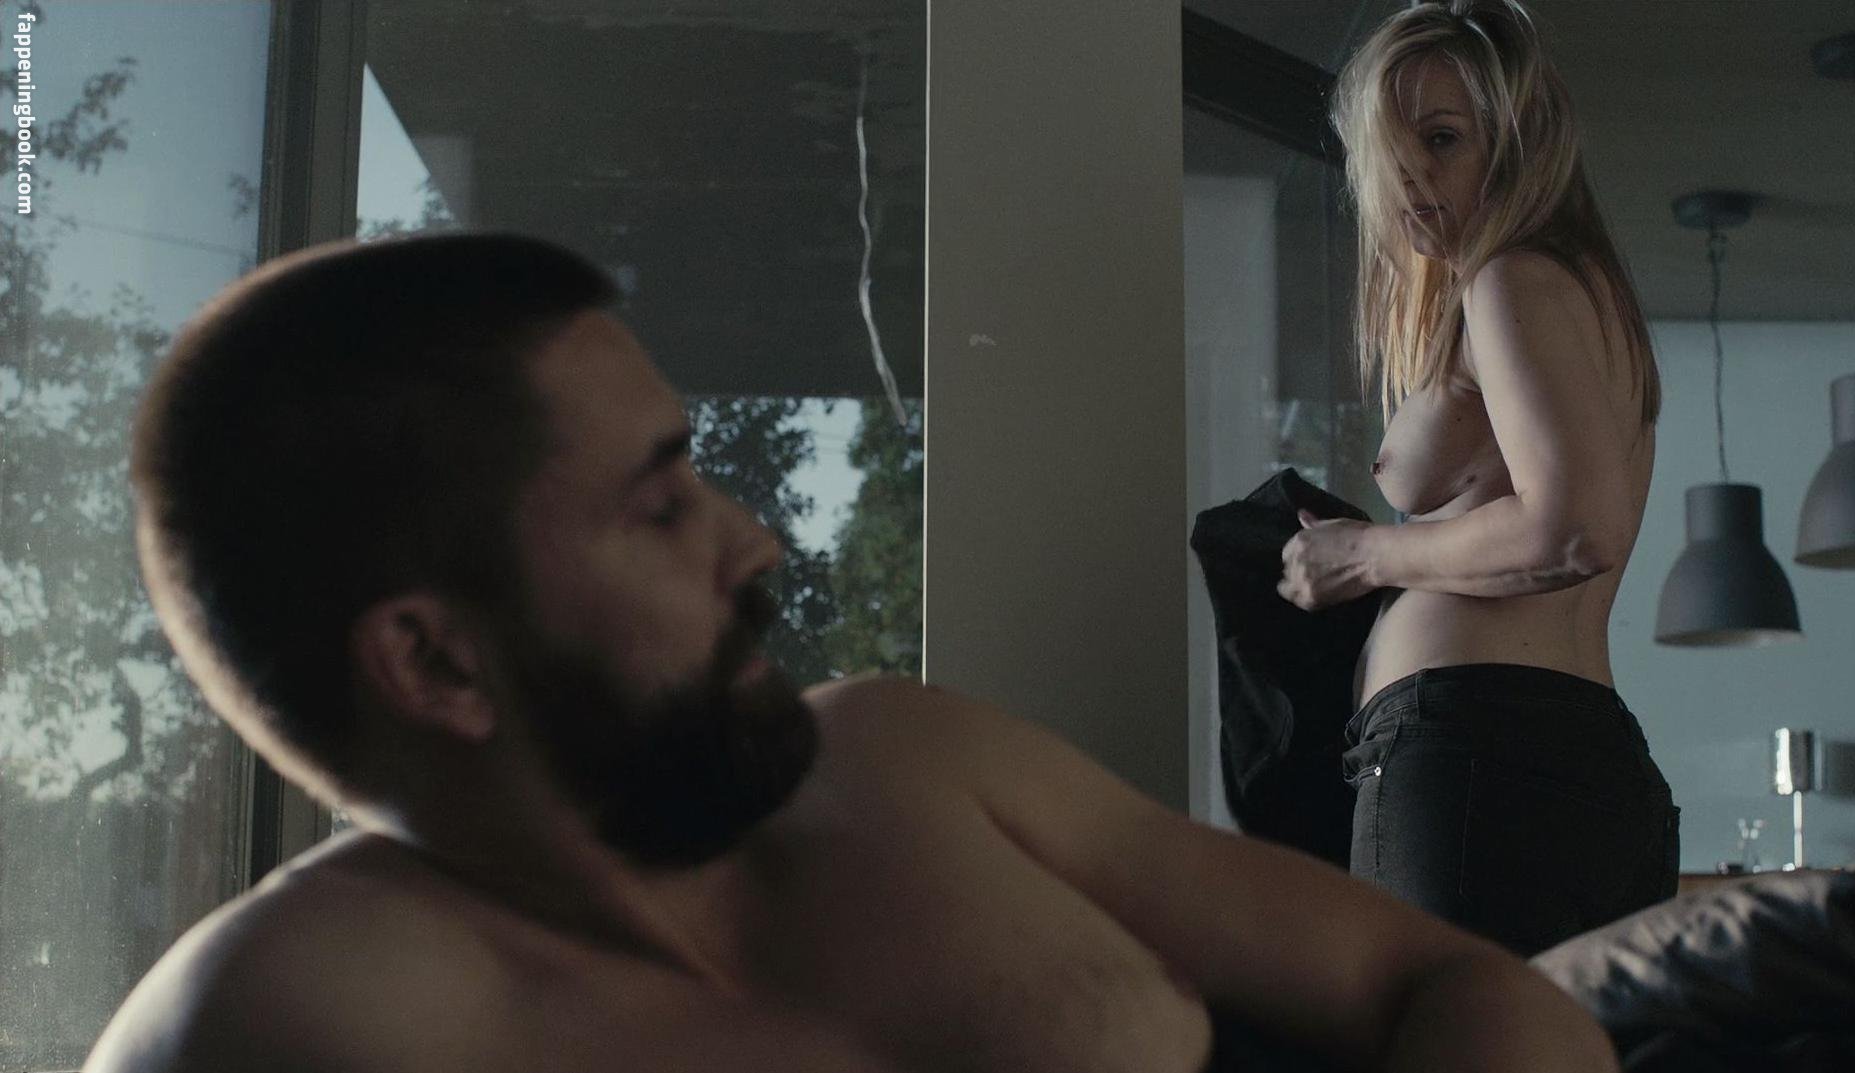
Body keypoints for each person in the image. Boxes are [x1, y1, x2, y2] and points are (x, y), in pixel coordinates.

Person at [86, 232, 1614, 1073]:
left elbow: (1449, 985)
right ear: (434, 665)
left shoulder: (900, 758)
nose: (752, 541)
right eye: (658, 506)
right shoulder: (292, 1023)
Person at [1276, 0, 1677, 957]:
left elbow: (1574, 528)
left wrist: (1365, 556)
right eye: (1390, 150)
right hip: (1570, 763)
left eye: (1443, 138)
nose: (1410, 175)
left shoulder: (1512, 280)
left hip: (1476, 764)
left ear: (1519, 140)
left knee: (1440, 1028)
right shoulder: (1574, 297)